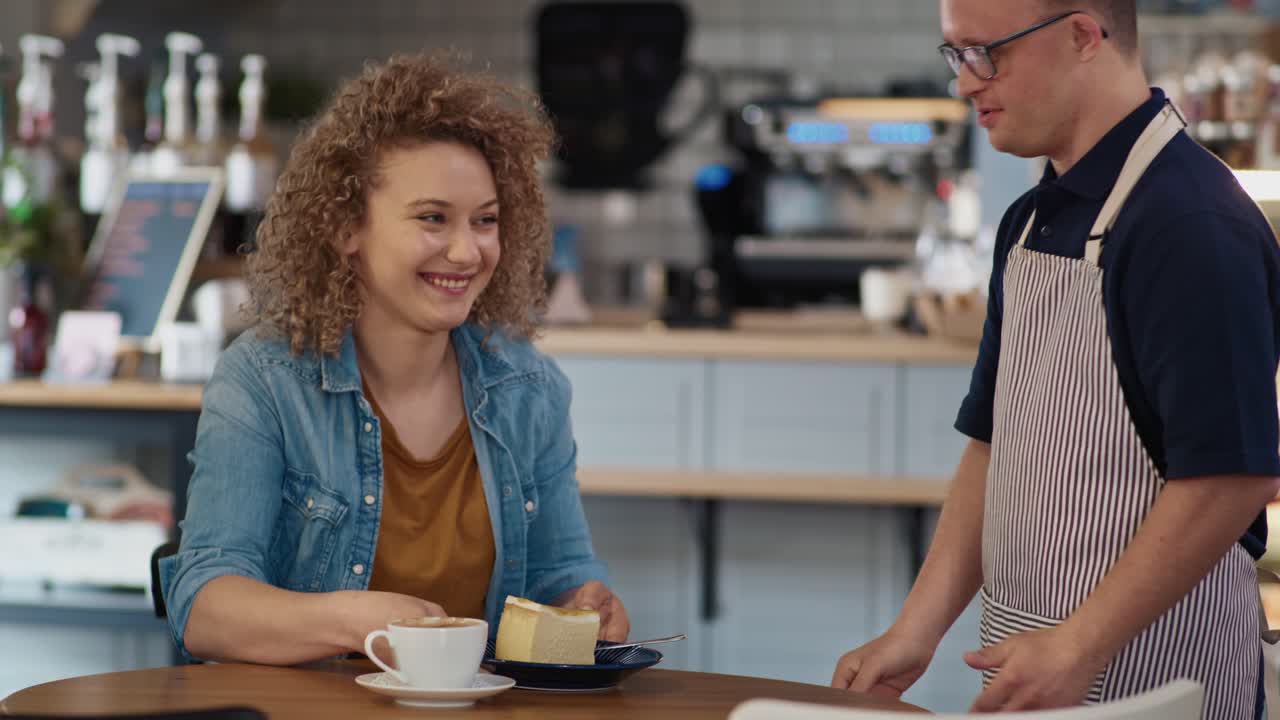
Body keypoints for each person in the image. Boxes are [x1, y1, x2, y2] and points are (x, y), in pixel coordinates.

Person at [832, 2, 1280, 717]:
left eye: (987, 53)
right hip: (1041, 669)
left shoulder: (1190, 225)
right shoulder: (1032, 220)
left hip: (1160, 683)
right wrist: (914, 633)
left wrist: (1080, 644)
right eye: (956, 55)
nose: (965, 84)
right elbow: (991, 447)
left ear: (1082, 36)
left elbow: (1231, 478)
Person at [159, 52, 630, 664]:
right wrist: (351, 620)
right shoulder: (264, 381)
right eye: (433, 218)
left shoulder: (530, 387)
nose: (467, 251)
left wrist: (588, 603)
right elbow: (202, 607)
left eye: (485, 221)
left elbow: (559, 576)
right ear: (346, 228)